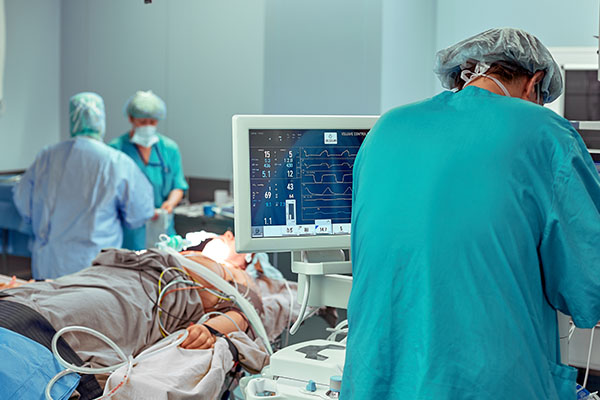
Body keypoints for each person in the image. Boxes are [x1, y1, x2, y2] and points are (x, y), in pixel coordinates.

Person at [342, 28, 600, 399]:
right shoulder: (546, 133)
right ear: (535, 83)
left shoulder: (387, 128)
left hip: (377, 379)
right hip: (485, 383)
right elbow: (588, 287)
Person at [13, 92, 154, 279]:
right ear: (101, 120)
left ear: (72, 118)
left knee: (46, 307)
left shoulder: (47, 156)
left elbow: (22, 201)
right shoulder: (115, 161)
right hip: (93, 267)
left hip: (48, 265)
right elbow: (140, 213)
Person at [109, 90, 188, 250]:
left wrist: (170, 204)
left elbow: (178, 186)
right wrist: (139, 210)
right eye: (142, 121)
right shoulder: (116, 150)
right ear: (131, 119)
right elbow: (109, 194)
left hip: (162, 226)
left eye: (152, 122)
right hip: (129, 232)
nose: (148, 126)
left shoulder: (169, 149)